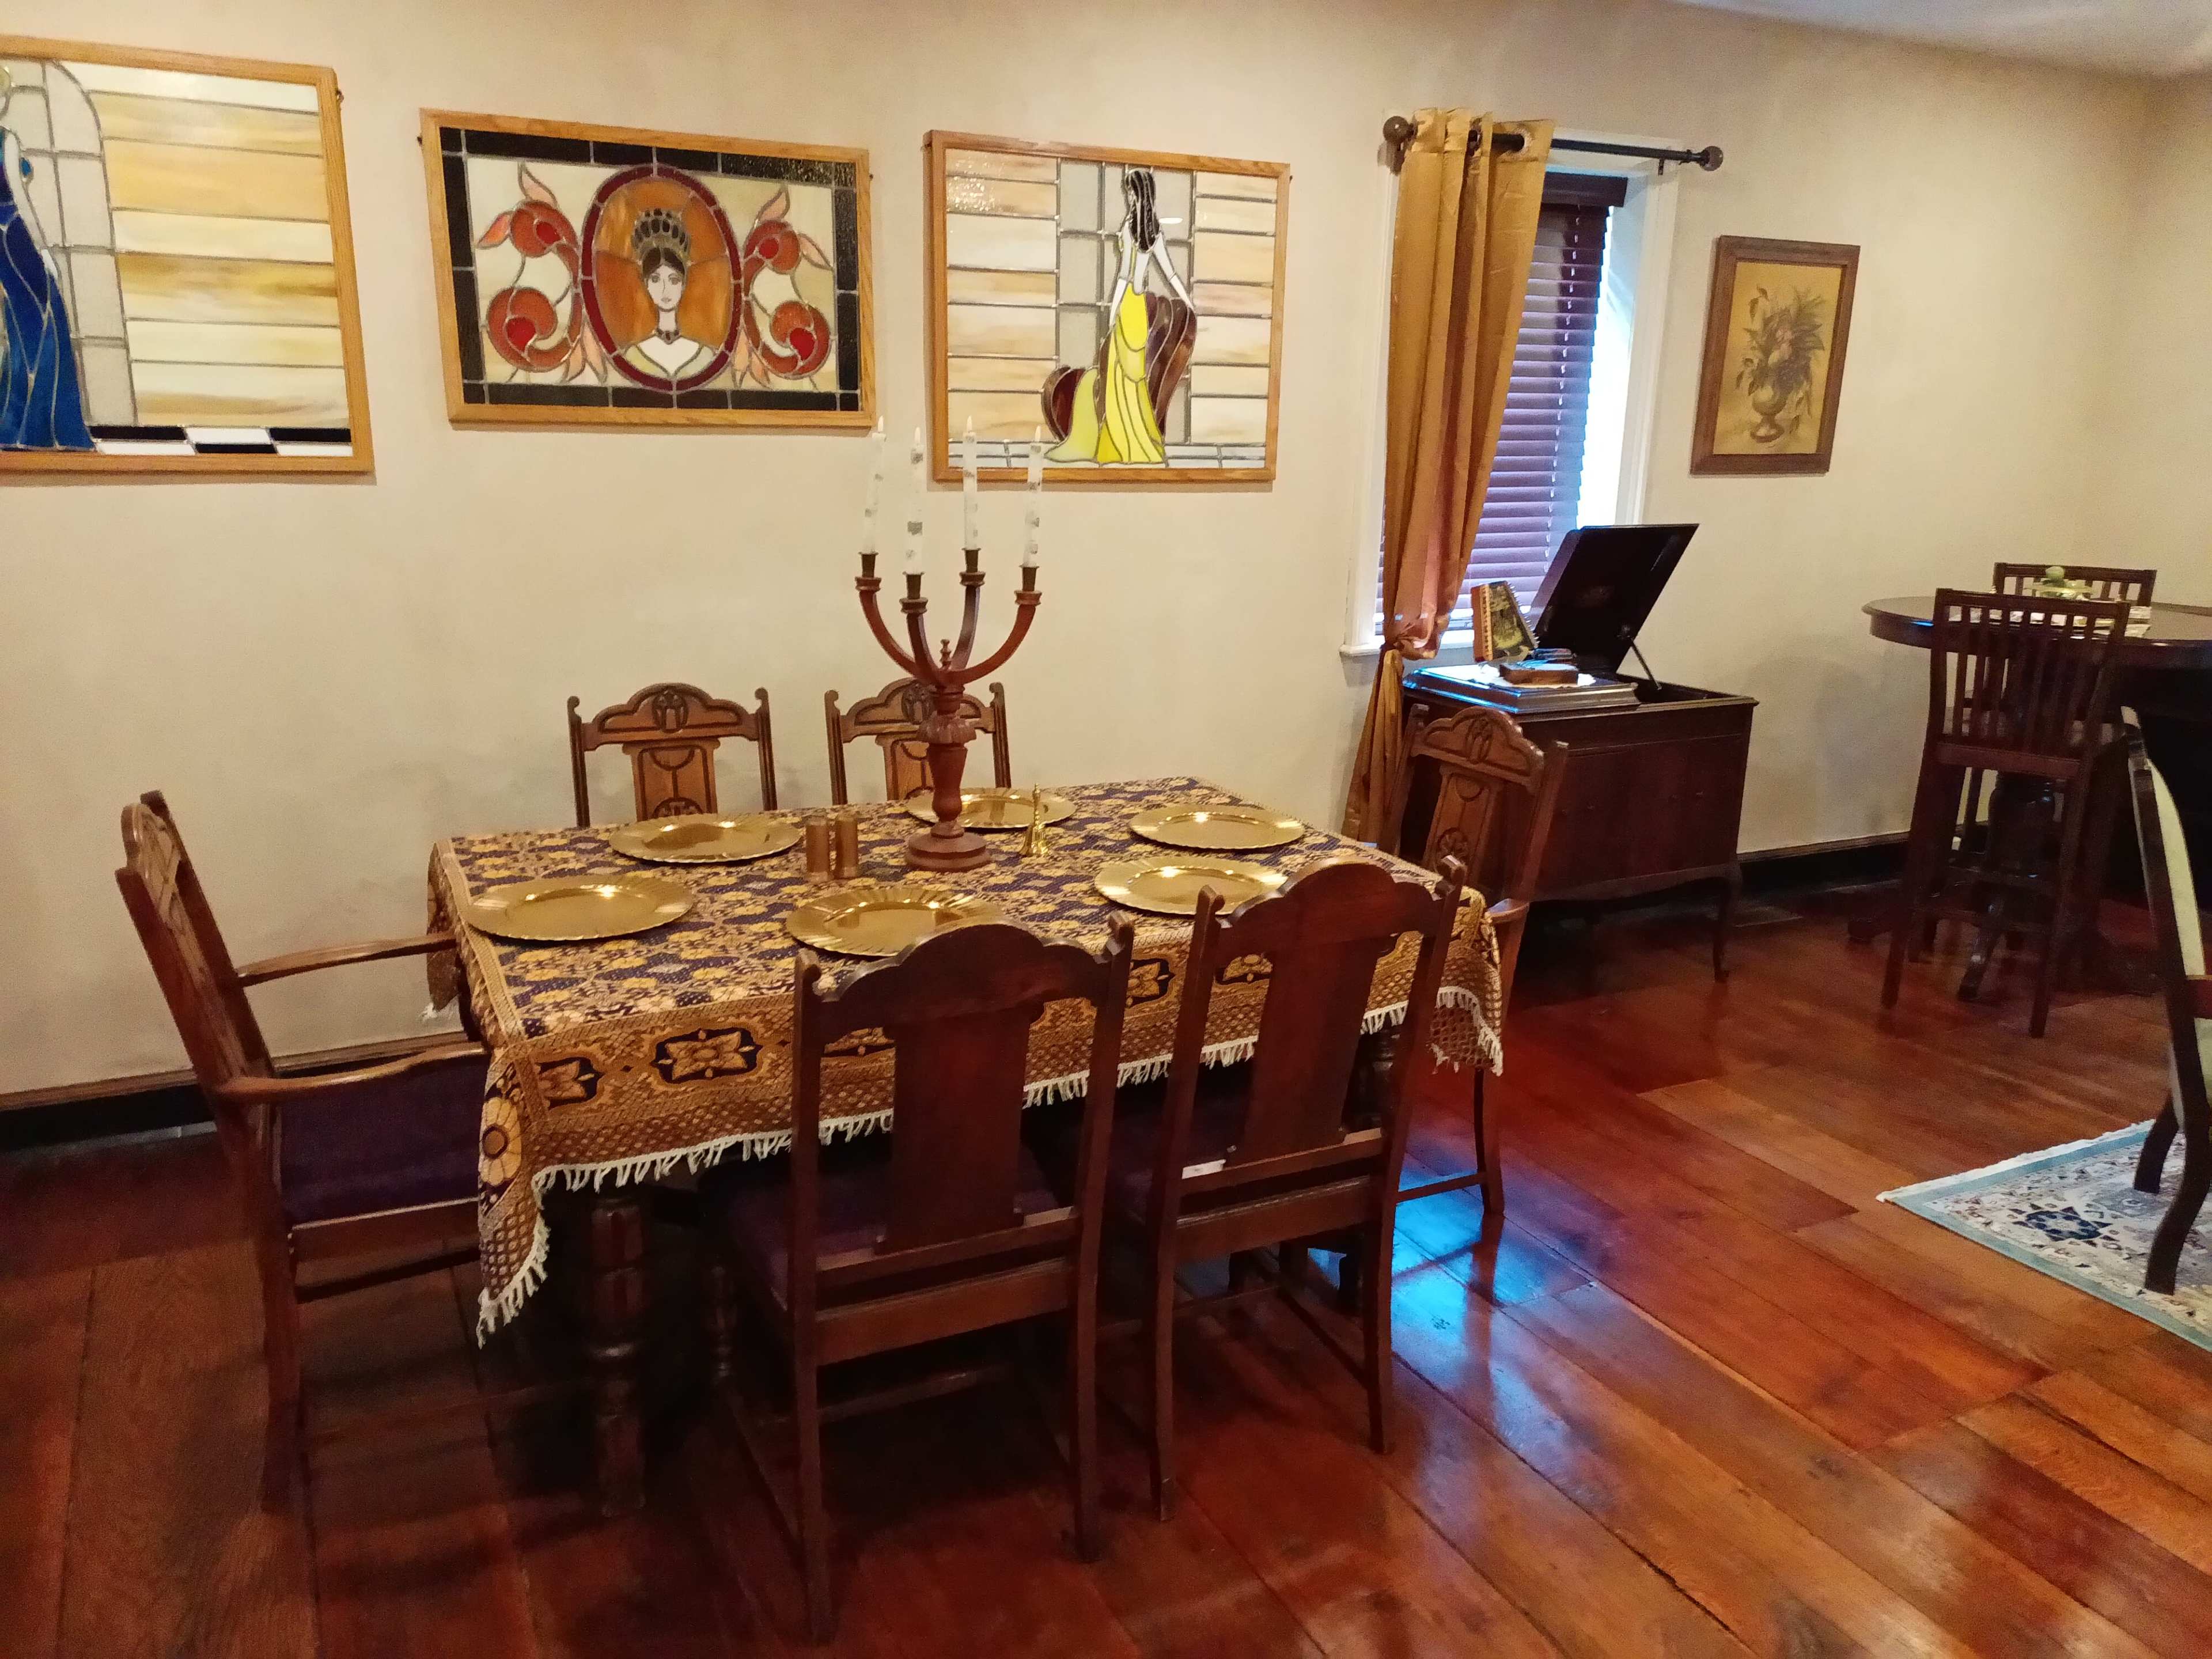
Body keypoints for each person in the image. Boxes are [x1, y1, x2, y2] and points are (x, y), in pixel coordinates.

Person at [1047, 169, 1194, 465]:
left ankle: (1120, 443)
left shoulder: (1130, 229)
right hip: (1139, 309)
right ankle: (1131, 441)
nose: (1128, 197)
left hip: (1129, 306)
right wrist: (1188, 300)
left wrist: (1113, 314)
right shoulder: (1153, 232)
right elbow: (1170, 273)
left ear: (1138, 195)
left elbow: (1125, 277)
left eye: (1130, 193)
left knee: (1120, 376)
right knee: (1131, 378)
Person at [0, 66, 96, 451]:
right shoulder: (6, 139)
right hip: (15, 234)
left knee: (22, 325)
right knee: (48, 321)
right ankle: (41, 429)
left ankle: (17, 424)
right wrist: (43, 250)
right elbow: (21, 200)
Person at [616, 206, 717, 384]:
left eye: (673, 280)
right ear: (645, 284)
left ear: (684, 283)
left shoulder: (705, 355)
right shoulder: (634, 355)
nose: (665, 289)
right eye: (655, 279)